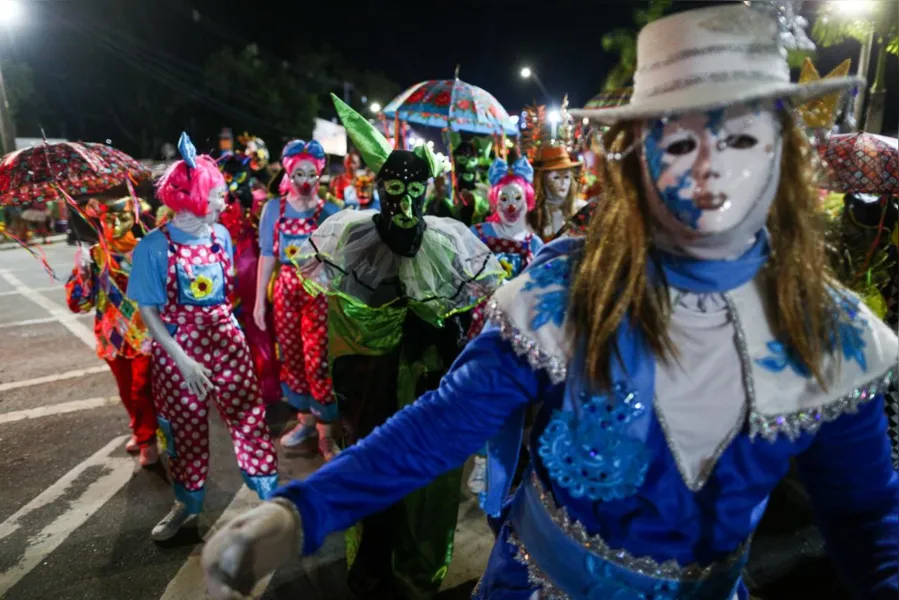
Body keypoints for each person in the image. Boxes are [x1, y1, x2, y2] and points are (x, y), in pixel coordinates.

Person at [201, 5, 899, 599]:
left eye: (742, 137)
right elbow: (444, 421)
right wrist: (303, 512)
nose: (710, 168)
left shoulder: (828, 332)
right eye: (680, 139)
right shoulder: (566, 291)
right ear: (635, 158)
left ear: (783, 155)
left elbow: (868, 523)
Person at [263, 94, 502, 599]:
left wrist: (438, 335)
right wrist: (393, 328)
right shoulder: (355, 242)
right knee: (375, 481)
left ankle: (418, 575)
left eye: (417, 189)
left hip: (427, 392)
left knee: (426, 492)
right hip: (373, 392)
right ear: (379, 187)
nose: (407, 202)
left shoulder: (447, 242)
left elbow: (462, 324)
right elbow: (343, 334)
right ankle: (371, 573)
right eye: (395, 189)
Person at [129, 133, 278, 541]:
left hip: (227, 340)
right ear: (192, 197)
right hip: (179, 350)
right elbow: (148, 310)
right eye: (215, 195)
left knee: (249, 416)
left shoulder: (221, 237)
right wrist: (182, 359)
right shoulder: (153, 247)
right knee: (185, 428)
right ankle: (188, 504)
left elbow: (225, 291)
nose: (222, 203)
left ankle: (269, 494)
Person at [254, 140, 341, 459]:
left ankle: (327, 431)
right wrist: (259, 302)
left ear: (319, 175)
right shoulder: (272, 209)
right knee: (290, 355)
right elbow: (267, 254)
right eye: (299, 172)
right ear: (288, 172)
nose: (305, 179)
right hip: (286, 289)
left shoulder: (329, 211)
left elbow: (338, 260)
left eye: (312, 173)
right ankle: (304, 420)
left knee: (317, 358)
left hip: (318, 291)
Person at [466, 154, 544, 498]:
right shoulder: (478, 233)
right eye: (504, 197)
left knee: (510, 397)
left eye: (517, 197)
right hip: (483, 326)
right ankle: (483, 458)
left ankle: (506, 458)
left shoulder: (535, 244)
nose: (511, 205)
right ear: (494, 199)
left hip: (516, 330)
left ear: (527, 199)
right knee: (481, 392)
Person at [66, 195, 158, 466]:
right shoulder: (95, 254)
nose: (115, 223)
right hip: (112, 336)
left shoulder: (146, 249)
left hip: (145, 332)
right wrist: (82, 275)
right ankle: (141, 430)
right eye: (109, 218)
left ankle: (148, 439)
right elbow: (80, 304)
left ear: (135, 219)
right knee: (127, 389)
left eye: (123, 217)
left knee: (143, 388)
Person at [528, 144, 584, 241]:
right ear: (544, 180)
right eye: (556, 177)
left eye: (566, 177)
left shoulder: (581, 209)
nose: (563, 183)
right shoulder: (534, 214)